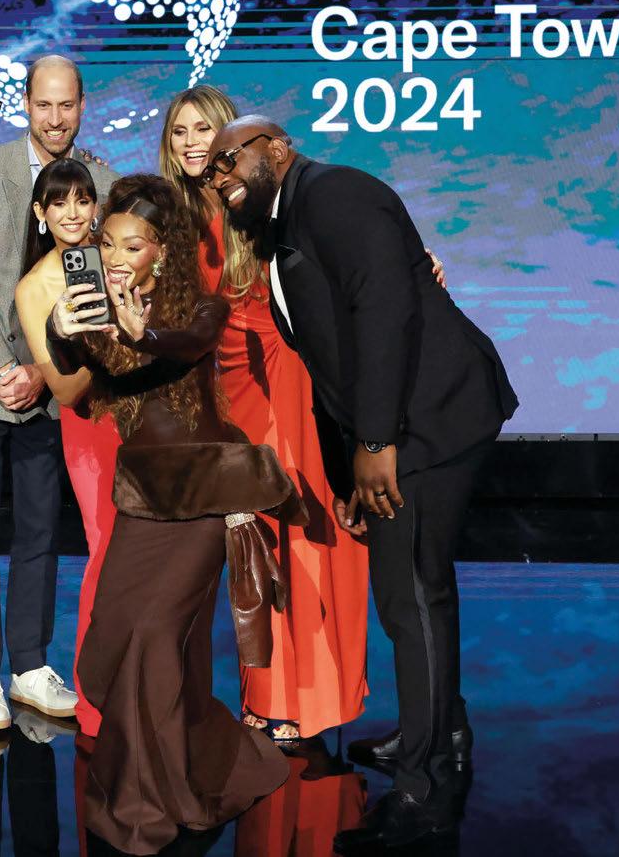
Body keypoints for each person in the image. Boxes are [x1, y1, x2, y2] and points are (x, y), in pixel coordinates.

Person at [204, 117, 519, 851]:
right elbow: (329, 360)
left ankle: (422, 786)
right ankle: (436, 729)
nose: (219, 178)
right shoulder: (285, 224)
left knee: (413, 594)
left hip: (429, 417)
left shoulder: (335, 194)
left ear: (276, 148)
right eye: (211, 172)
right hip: (398, 426)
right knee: (412, 590)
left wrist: (376, 443)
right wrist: (351, 463)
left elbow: (384, 315)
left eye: (228, 160)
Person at [46, 175, 296, 855]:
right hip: (144, 500)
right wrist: (59, 332)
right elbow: (70, 383)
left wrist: (143, 330)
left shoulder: (201, 308)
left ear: (162, 251)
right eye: (108, 243)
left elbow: (185, 342)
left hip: (205, 498)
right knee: (106, 647)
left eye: (133, 245)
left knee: (155, 638)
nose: (116, 256)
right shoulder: (95, 308)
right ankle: (198, 758)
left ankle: (145, 806)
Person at [160, 85, 371, 745]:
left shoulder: (255, 198)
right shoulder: (168, 216)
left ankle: (316, 696)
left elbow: (335, 250)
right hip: (221, 390)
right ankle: (272, 692)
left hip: (283, 372)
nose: (192, 143)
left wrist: (409, 263)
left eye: (203, 129)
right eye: (179, 132)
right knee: (253, 545)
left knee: (304, 530)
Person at [0, 54, 118, 734]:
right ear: (26, 106)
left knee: (40, 530)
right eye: (44, 104)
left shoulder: (103, 184)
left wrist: (41, 371)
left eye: (67, 104)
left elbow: (101, 291)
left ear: (81, 106)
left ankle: (30, 665)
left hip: (50, 389)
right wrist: (1, 366)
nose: (55, 117)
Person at [13, 158, 122, 738]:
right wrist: (77, 335)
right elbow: (64, 389)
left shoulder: (119, 258)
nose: (73, 213)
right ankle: (97, 697)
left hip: (143, 415)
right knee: (106, 548)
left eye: (83, 200)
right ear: (41, 213)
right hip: (90, 427)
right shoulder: (34, 288)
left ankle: (151, 689)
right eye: (59, 203)